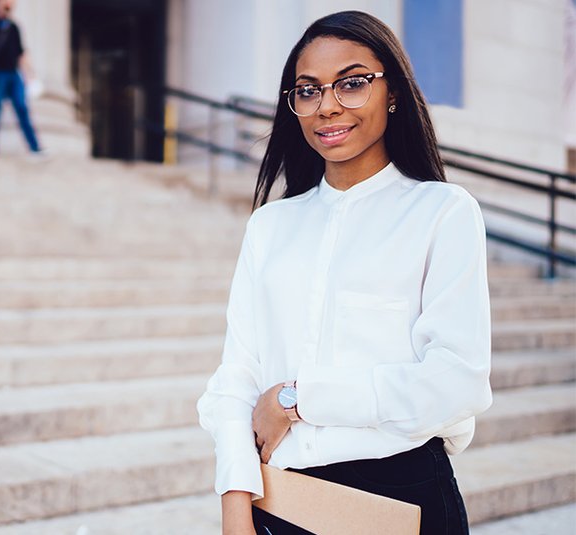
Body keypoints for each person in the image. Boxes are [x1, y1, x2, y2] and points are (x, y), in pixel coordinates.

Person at [196, 11, 491, 535]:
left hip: (402, 497)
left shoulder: (442, 212)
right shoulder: (270, 226)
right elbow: (236, 377)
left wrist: (298, 398)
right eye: (307, 90)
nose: (327, 105)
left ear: (393, 92)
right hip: (282, 500)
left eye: (352, 83)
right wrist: (235, 506)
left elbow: (456, 381)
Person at [0, 0, 45, 158]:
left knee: (22, 108)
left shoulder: (14, 27)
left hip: (14, 73)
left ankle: (35, 148)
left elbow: (21, 53)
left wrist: (30, 75)